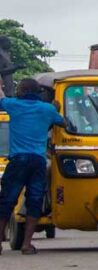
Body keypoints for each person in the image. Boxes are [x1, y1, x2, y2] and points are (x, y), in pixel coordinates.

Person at [0, 78, 64, 255]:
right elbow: (63, 123)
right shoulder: (47, 109)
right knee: (35, 200)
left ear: (21, 91)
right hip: (37, 161)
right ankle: (26, 245)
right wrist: (55, 109)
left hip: (18, 160)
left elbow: (1, 98)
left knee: (7, 199)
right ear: (37, 92)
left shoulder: (13, 105)